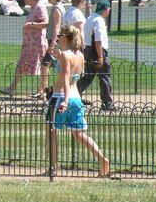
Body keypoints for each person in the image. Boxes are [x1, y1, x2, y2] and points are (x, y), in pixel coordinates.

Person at [48, 25, 111, 177]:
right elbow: (74, 77)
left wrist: (65, 101)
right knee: (79, 134)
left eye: (60, 35)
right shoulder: (80, 55)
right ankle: (102, 159)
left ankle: (53, 168)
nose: (58, 38)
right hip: (77, 98)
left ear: (66, 37)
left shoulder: (65, 55)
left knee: (51, 132)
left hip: (61, 97)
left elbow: (65, 78)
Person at [0, 0, 48, 96]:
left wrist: (31, 24)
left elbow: (46, 23)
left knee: (42, 66)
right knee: (22, 64)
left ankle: (42, 90)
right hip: (29, 43)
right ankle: (12, 87)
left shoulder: (40, 7)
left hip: (37, 44)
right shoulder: (34, 7)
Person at [78, 0, 114, 110]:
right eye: (108, 9)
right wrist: (100, 57)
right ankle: (107, 103)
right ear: (106, 10)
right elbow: (98, 40)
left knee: (88, 76)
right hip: (97, 50)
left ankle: (73, 94)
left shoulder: (90, 18)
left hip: (88, 50)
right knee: (105, 77)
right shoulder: (99, 20)